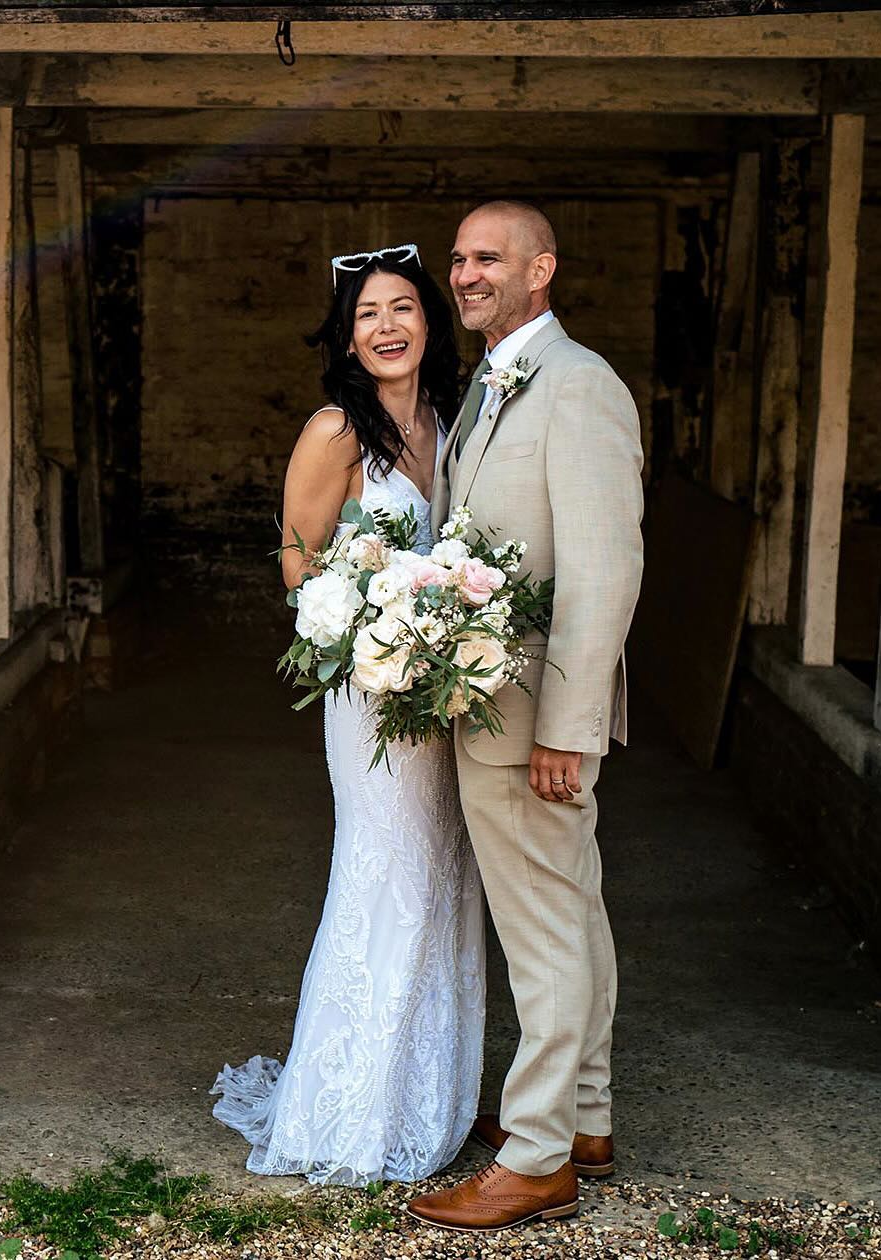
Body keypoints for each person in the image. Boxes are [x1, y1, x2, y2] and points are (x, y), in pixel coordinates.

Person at [210, 245, 485, 1187]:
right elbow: (298, 564)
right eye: (368, 314)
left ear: (428, 322)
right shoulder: (335, 431)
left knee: (444, 875)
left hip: (438, 690)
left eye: (403, 308)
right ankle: (349, 1109)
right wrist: (378, 626)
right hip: (370, 691)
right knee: (385, 873)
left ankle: (423, 1093)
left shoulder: (447, 426)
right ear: (347, 334)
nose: (388, 327)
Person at [409, 201, 644, 1233]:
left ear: (541, 269)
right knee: (572, 911)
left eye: (488, 258)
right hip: (494, 702)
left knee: (542, 932)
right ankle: (582, 1117)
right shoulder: (499, 377)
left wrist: (566, 726)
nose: (466, 273)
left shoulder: (582, 385)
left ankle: (540, 1157)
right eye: (459, 258)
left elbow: (605, 568)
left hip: (530, 718)